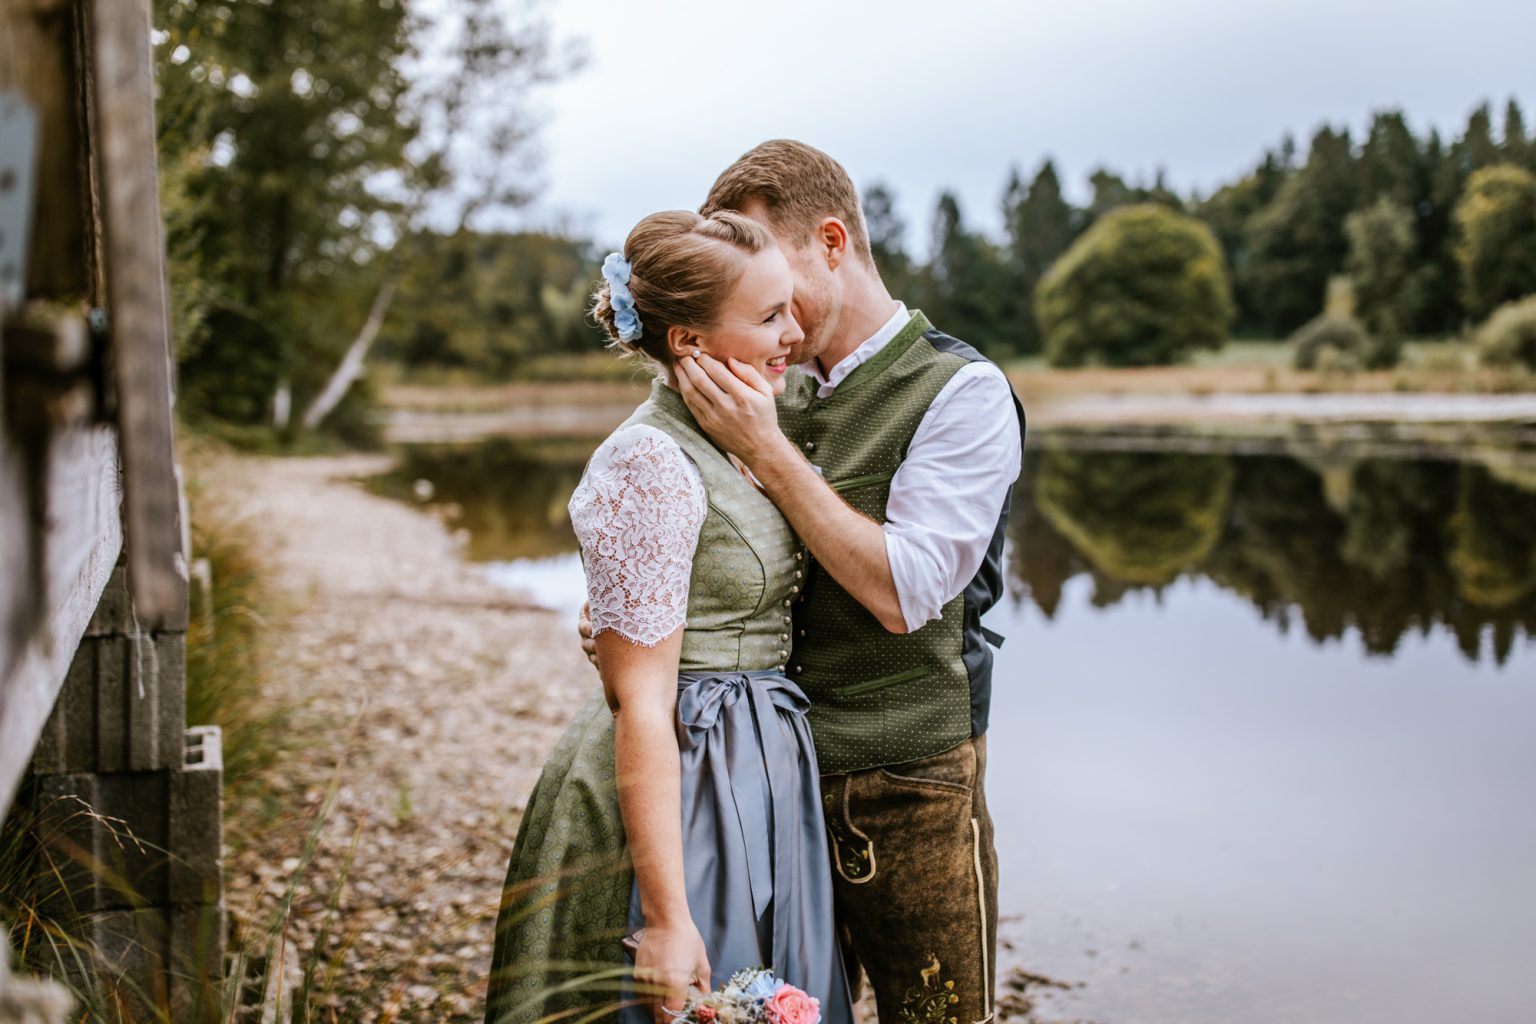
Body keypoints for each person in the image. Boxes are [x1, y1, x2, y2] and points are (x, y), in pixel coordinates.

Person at [585, 140, 1025, 1024]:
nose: (765, 313)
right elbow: (674, 533)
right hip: (761, 782)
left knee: (937, 1015)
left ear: (831, 241)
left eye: (766, 269)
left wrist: (770, 454)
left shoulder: (960, 391)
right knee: (772, 1007)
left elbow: (906, 592)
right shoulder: (755, 375)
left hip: (905, 783)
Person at [483, 209, 854, 1024]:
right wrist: (664, 917)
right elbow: (642, 699)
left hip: (760, 760)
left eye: (789, 307)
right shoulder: (649, 460)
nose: (793, 332)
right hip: (681, 771)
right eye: (767, 317)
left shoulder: (745, 435)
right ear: (687, 341)